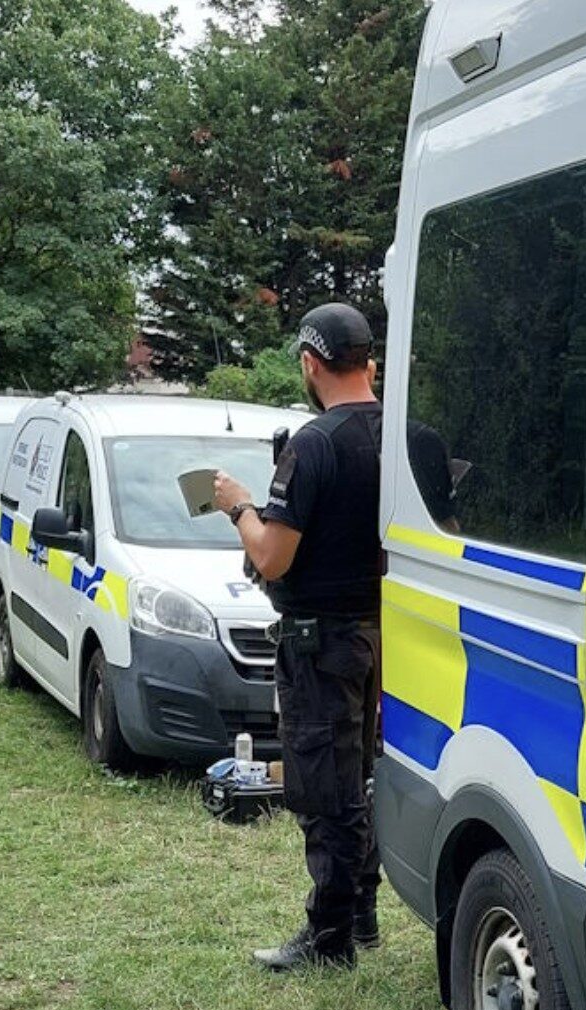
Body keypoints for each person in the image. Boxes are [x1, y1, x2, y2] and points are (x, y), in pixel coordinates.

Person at [213, 302, 383, 971]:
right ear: (370, 362)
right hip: (386, 636)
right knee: (362, 775)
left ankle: (329, 938)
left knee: (324, 786)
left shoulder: (314, 445)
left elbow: (272, 556)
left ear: (311, 363)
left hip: (321, 645)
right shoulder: (411, 438)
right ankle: (362, 913)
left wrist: (238, 505)